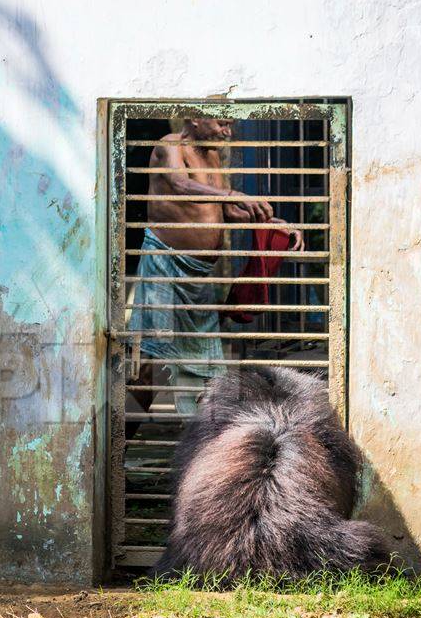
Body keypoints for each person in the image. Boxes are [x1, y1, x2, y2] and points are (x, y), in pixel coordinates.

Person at [126, 118, 302, 418]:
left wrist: (271, 226)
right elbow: (181, 184)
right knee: (152, 361)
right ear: (195, 119)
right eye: (221, 124)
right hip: (164, 267)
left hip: (199, 277)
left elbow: (226, 210)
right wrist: (233, 195)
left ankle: (206, 443)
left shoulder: (215, 157)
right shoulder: (169, 145)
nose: (227, 132)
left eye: (229, 125)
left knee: (208, 369)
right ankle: (119, 445)